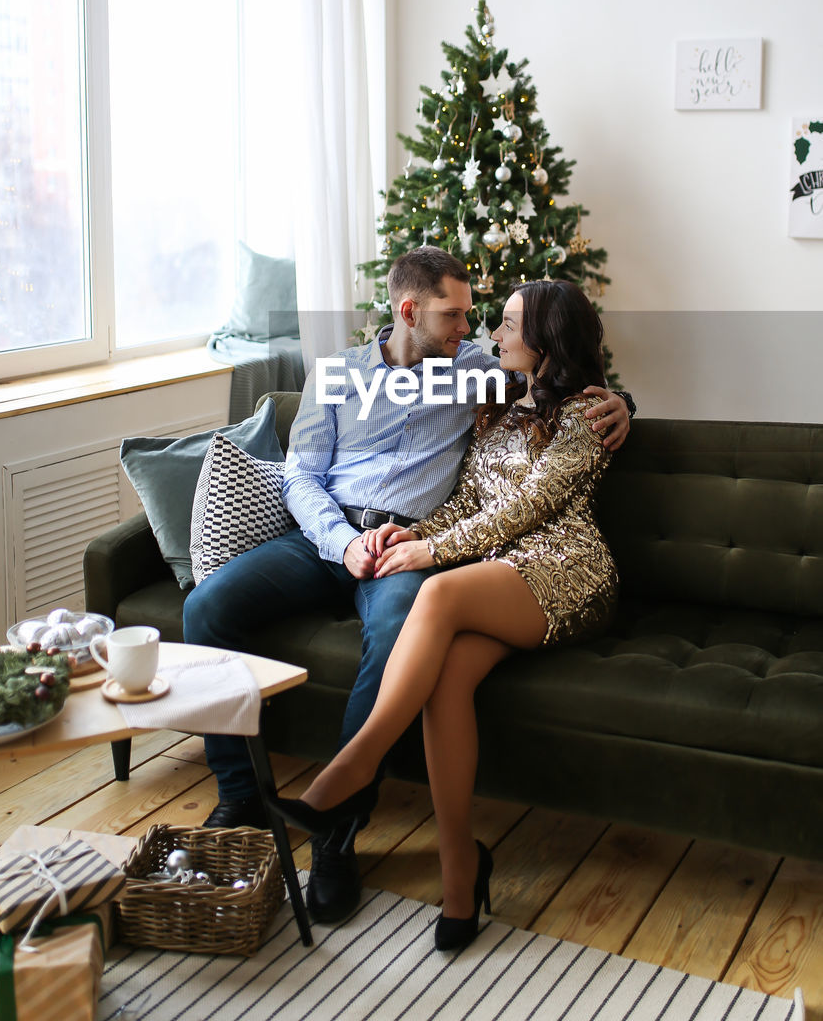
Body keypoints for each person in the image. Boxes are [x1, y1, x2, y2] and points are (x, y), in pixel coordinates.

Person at [183, 249, 630, 924]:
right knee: (205, 607)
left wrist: (623, 403)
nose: (470, 328)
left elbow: (563, 386)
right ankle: (239, 789)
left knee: (397, 631)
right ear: (407, 311)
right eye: (453, 314)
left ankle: (335, 833)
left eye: (477, 317)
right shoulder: (336, 375)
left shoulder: (478, 370)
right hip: (326, 538)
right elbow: (300, 476)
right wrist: (343, 542)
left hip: (408, 546)